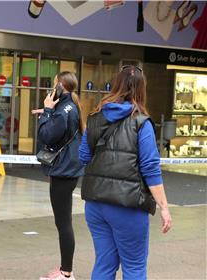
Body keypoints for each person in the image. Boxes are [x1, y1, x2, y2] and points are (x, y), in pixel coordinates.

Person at [79, 65, 172, 280]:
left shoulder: (94, 117)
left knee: (104, 263)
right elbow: (150, 168)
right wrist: (164, 207)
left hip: (95, 203)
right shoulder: (141, 123)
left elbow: (84, 156)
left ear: (117, 84)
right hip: (127, 205)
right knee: (134, 266)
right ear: (141, 90)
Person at [33, 71, 85, 280]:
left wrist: (46, 111)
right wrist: (48, 112)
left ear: (61, 86)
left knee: (63, 222)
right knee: (63, 221)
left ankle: (66, 273)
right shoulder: (70, 105)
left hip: (64, 171)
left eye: (54, 84)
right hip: (69, 168)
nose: (52, 88)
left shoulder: (63, 109)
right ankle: (66, 269)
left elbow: (47, 134)